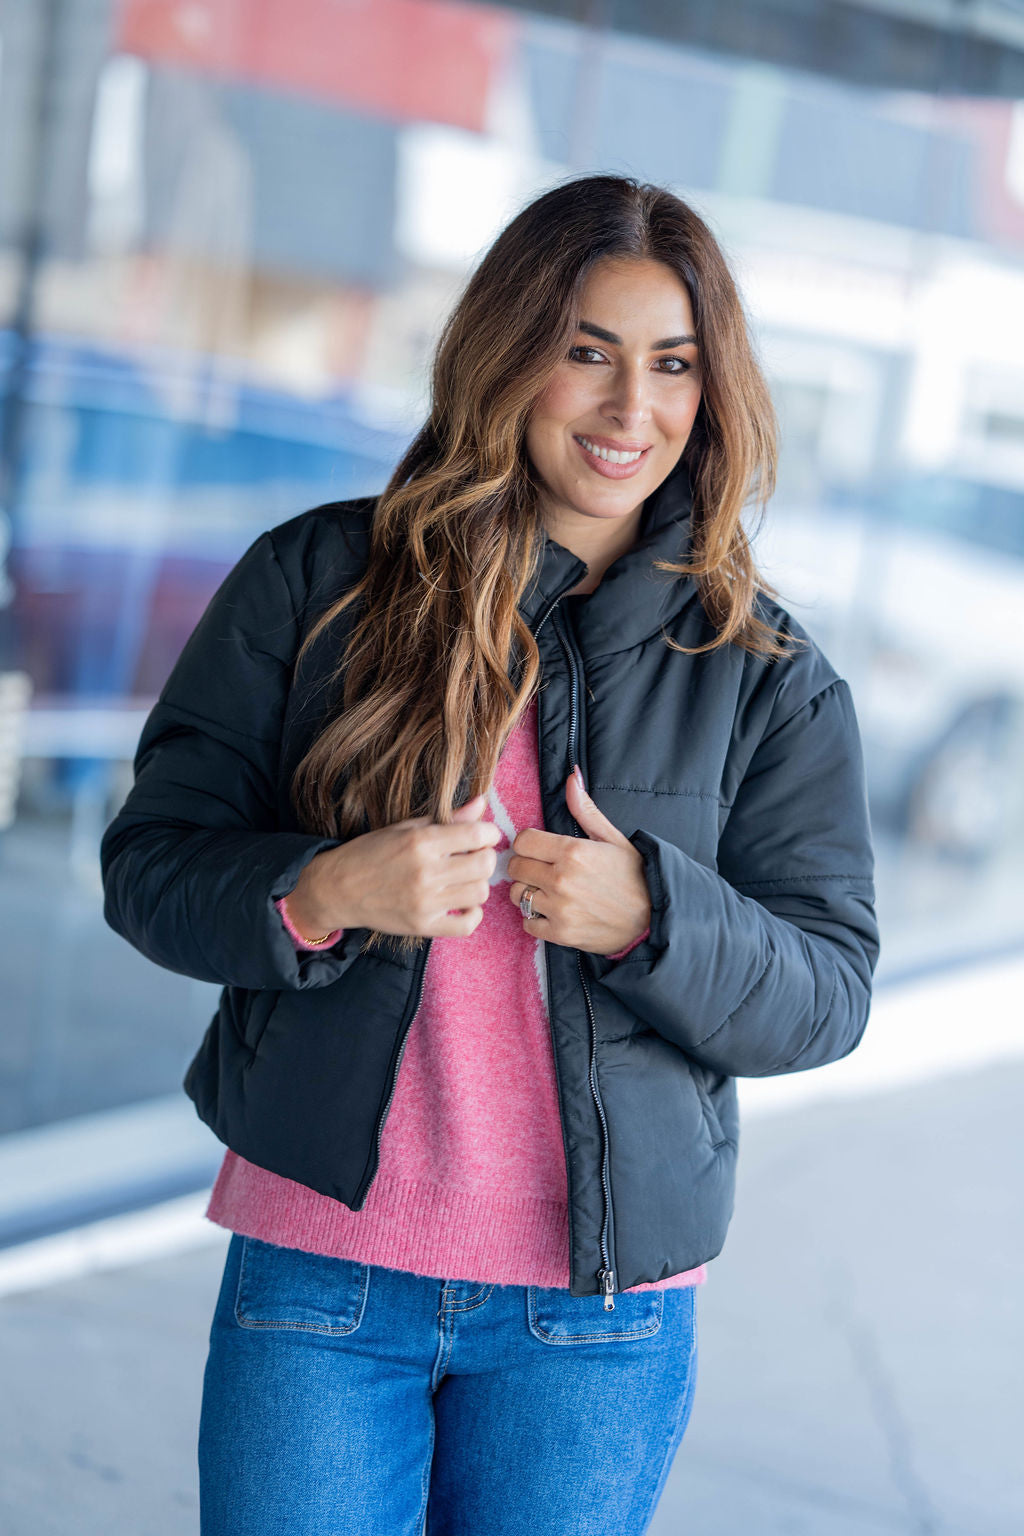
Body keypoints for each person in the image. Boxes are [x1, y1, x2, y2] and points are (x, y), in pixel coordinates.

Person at [100, 173, 880, 1536]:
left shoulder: (765, 674)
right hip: (324, 1271)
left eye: (673, 364)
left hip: (597, 1320)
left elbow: (830, 991)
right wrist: (320, 889)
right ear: (509, 353)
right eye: (588, 351)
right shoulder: (319, 584)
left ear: (713, 391)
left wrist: (657, 919)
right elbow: (151, 865)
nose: (629, 408)